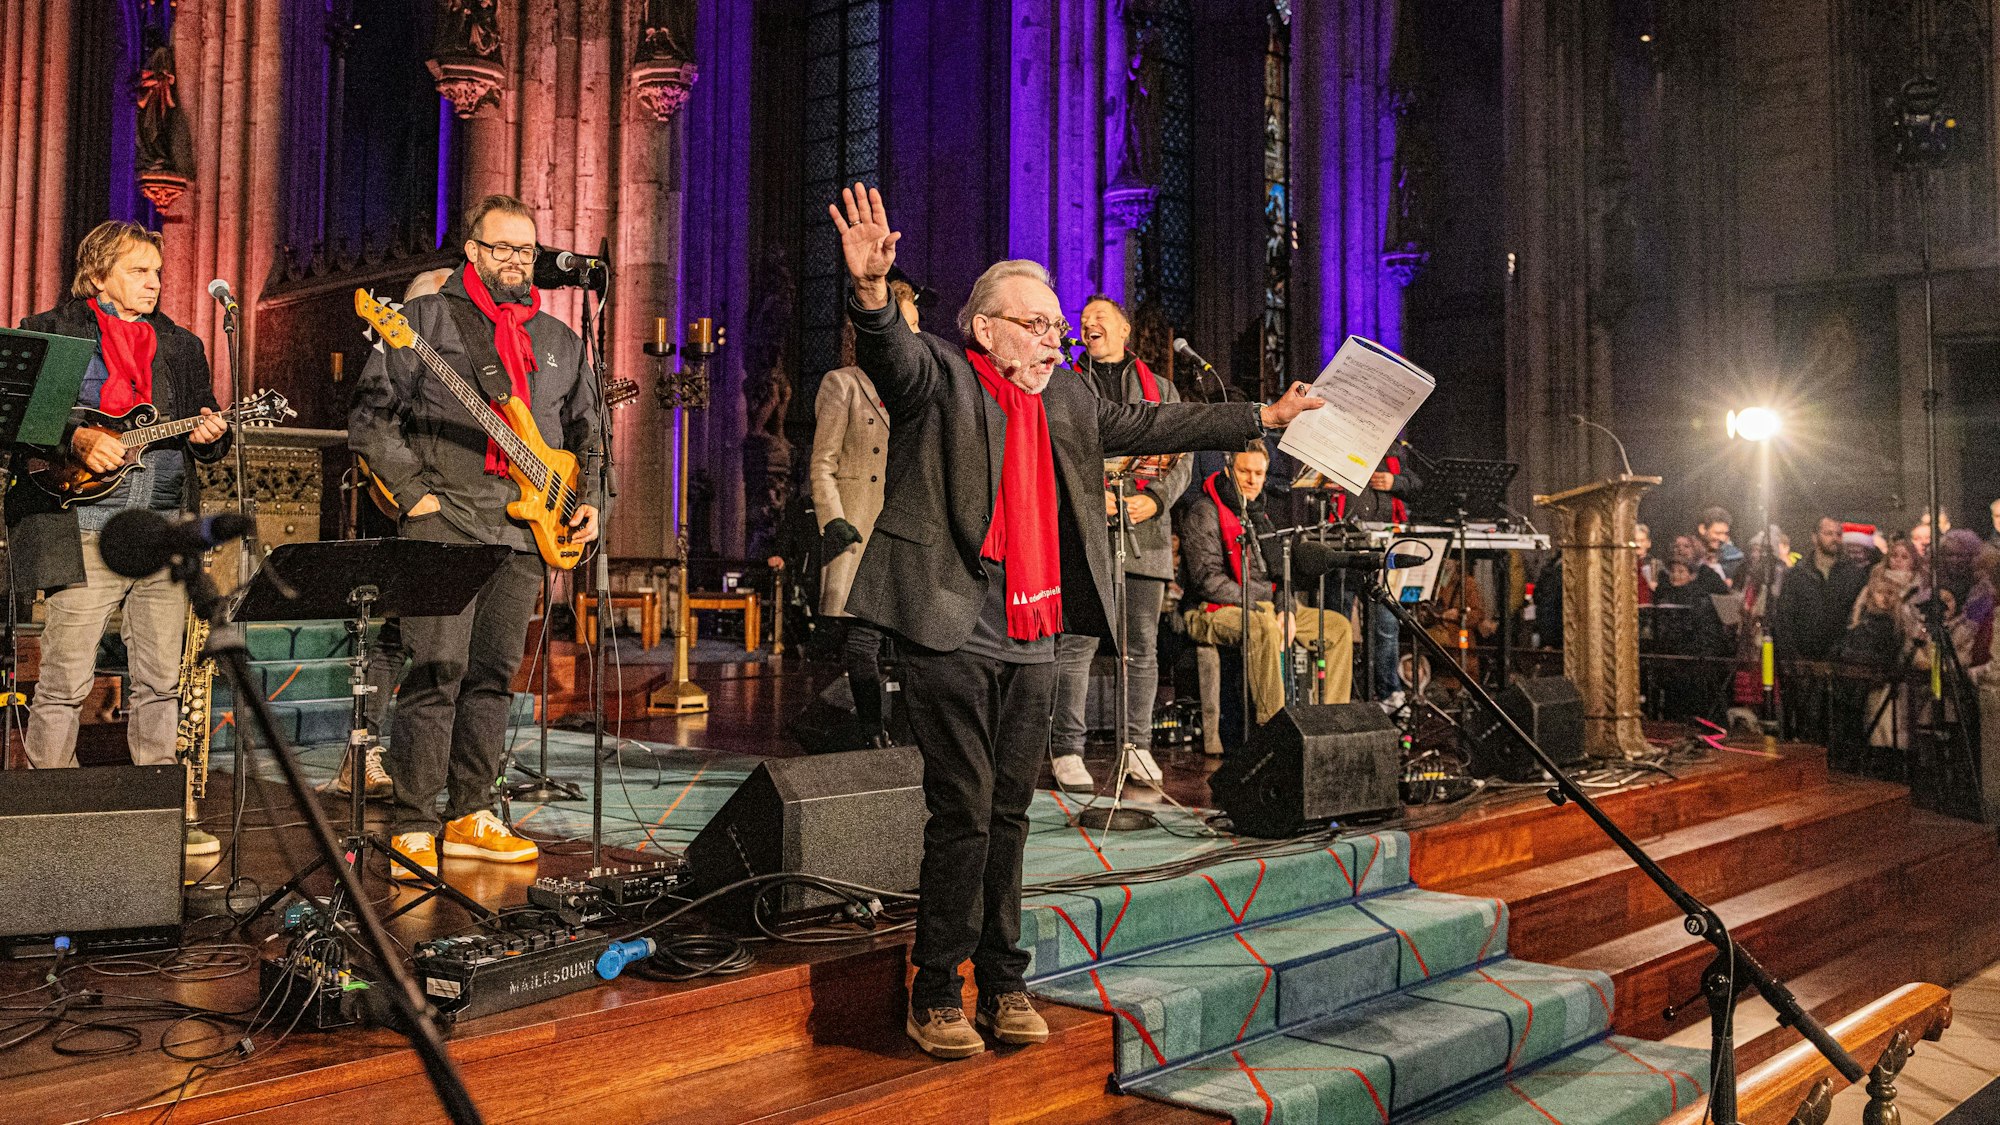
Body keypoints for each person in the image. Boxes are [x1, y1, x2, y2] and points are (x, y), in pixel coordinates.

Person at [828, 182, 1320, 1059]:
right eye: (1036, 324)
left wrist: (1264, 416)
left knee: (1013, 810)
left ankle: (1005, 978)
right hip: (945, 623)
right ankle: (936, 986)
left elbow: (1158, 417)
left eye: (1058, 325)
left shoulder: (1068, 400)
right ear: (985, 328)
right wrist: (871, 291)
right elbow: (891, 352)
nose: (1054, 339)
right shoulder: (942, 376)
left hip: (1032, 631)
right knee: (965, 811)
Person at [349, 194, 603, 881]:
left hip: (526, 533)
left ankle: (471, 812)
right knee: (436, 675)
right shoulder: (425, 321)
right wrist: (415, 496)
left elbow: (589, 437)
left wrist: (592, 504)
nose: (516, 261)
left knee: (492, 679)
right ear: (472, 251)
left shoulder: (559, 341)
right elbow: (372, 419)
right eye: (501, 248)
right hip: (447, 520)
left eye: (526, 249)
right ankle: (412, 820)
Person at [10, 221, 235, 859]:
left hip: (162, 530)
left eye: (158, 273)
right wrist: (77, 439)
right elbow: (23, 427)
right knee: (65, 680)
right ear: (99, 272)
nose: (154, 284)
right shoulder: (54, 333)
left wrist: (212, 433)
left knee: (161, 680)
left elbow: (208, 423)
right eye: (140, 271)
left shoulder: (181, 346)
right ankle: (46, 811)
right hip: (80, 527)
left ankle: (159, 812)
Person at [1046, 294, 1190, 794]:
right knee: (1076, 644)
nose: (1088, 324)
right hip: (1086, 533)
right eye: (1083, 321)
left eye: (1098, 318)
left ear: (1124, 329)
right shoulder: (1064, 385)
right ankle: (1067, 748)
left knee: (1141, 649)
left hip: (1145, 536)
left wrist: (1155, 498)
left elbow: (1182, 456)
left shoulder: (1162, 389)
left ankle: (1137, 746)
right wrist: (1089, 499)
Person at [811, 269, 926, 745]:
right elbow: (822, 463)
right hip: (860, 526)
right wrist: (834, 520)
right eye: (909, 323)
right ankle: (870, 732)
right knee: (863, 641)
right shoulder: (845, 384)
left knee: (919, 640)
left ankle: (913, 736)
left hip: (911, 526)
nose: (914, 334)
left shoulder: (921, 385)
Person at [1179, 442, 1354, 726]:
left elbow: (1281, 572)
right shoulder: (1205, 510)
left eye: (1259, 473)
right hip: (1210, 609)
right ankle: (1272, 727)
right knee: (1264, 626)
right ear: (1227, 470)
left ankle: (1329, 723)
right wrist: (1267, 606)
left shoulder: (1262, 514)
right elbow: (1207, 581)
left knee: (1337, 627)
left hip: (1264, 604)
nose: (1252, 480)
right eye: (1244, 471)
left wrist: (1287, 609)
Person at [1330, 450, 1422, 704]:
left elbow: (1416, 484)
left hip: (1382, 549)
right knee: (1337, 623)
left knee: (1386, 625)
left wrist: (1395, 482)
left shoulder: (1392, 449)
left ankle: (1388, 695)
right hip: (1340, 546)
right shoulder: (1336, 441)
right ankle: (1337, 696)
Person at [1772, 518, 1869, 741]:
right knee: (1809, 728)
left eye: (1838, 534)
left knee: (1842, 728)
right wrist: (1793, 658)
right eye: (1828, 533)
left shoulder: (1853, 575)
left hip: (1842, 663)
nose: (1835, 539)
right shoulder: (1797, 576)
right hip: (1806, 661)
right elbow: (1785, 618)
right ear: (1815, 537)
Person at [1696, 506, 1743, 587]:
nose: (1722, 538)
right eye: (1717, 533)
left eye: (1725, 533)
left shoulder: (1735, 557)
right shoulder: (1688, 553)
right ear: (1702, 529)